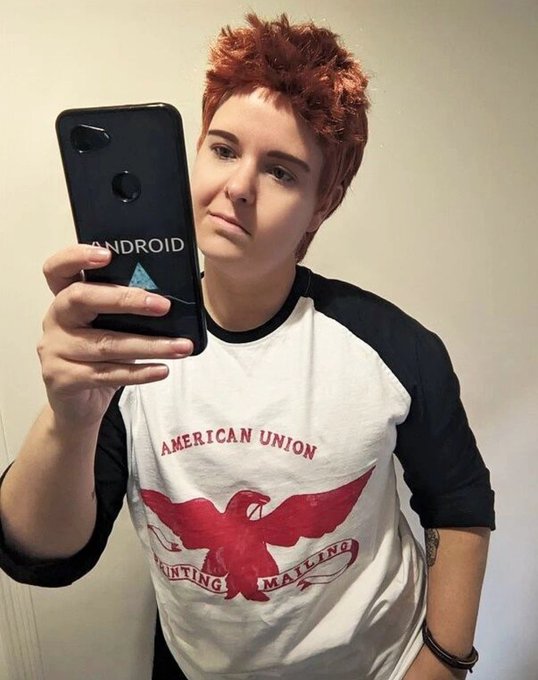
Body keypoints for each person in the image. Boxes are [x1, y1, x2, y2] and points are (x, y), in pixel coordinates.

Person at [0, 13, 494, 680]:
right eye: (224, 149)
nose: (238, 186)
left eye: (281, 171)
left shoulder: (394, 350)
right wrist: (70, 417)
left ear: (323, 203)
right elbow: (45, 556)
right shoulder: (129, 346)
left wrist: (445, 664)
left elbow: (460, 507)